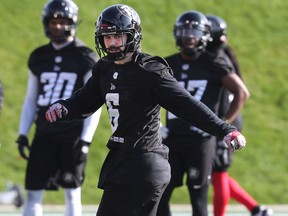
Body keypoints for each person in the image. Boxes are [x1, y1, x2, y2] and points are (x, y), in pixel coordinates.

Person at [45, 4, 247, 216]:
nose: (112, 43)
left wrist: (225, 129)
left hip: (145, 163)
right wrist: (64, 107)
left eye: (118, 37)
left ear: (132, 36)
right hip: (120, 160)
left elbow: (187, 105)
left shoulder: (149, 69)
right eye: (107, 37)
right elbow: (84, 101)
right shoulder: (104, 67)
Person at [156, 11, 250, 216]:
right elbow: (151, 93)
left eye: (194, 32)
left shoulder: (213, 63)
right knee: (161, 193)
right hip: (172, 137)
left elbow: (241, 93)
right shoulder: (168, 63)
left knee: (198, 197)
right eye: (185, 31)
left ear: (205, 35)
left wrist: (222, 125)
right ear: (176, 34)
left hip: (201, 140)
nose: (189, 36)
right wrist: (156, 125)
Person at [16, 0, 101, 215]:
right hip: (44, 132)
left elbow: (95, 101)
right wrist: (23, 133)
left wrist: (85, 140)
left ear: (71, 23)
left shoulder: (85, 56)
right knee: (33, 192)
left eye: (62, 21)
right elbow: (30, 98)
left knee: (72, 192)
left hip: (71, 134)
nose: (57, 26)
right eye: (53, 22)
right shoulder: (39, 56)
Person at [206, 14, 273, 216]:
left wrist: (224, 124)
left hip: (225, 120)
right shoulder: (222, 55)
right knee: (216, 174)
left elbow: (239, 94)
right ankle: (256, 208)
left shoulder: (216, 59)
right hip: (224, 120)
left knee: (218, 174)